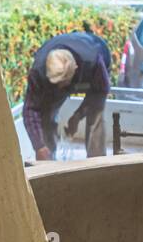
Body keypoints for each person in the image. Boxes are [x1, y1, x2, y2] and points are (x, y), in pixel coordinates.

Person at [22, 29, 113, 161]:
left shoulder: (94, 63)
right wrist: (39, 146)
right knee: (45, 114)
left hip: (91, 65)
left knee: (96, 114)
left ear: (74, 68)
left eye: (63, 83)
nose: (60, 88)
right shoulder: (38, 72)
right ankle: (47, 161)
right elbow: (31, 109)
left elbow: (99, 94)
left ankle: (96, 161)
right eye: (57, 84)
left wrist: (77, 116)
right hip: (58, 76)